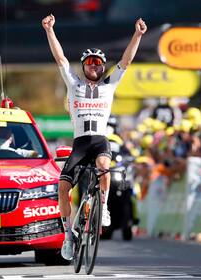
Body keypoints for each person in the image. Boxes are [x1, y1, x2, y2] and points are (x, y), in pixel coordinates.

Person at [42, 14, 147, 260]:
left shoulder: (109, 85)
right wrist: (49, 31)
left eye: (98, 63)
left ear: (102, 66)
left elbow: (127, 61)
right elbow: (60, 58)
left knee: (103, 166)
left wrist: (138, 35)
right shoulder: (74, 84)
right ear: (84, 66)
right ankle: (68, 236)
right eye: (90, 62)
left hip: (100, 140)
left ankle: (105, 206)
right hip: (80, 143)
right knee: (63, 188)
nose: (95, 65)